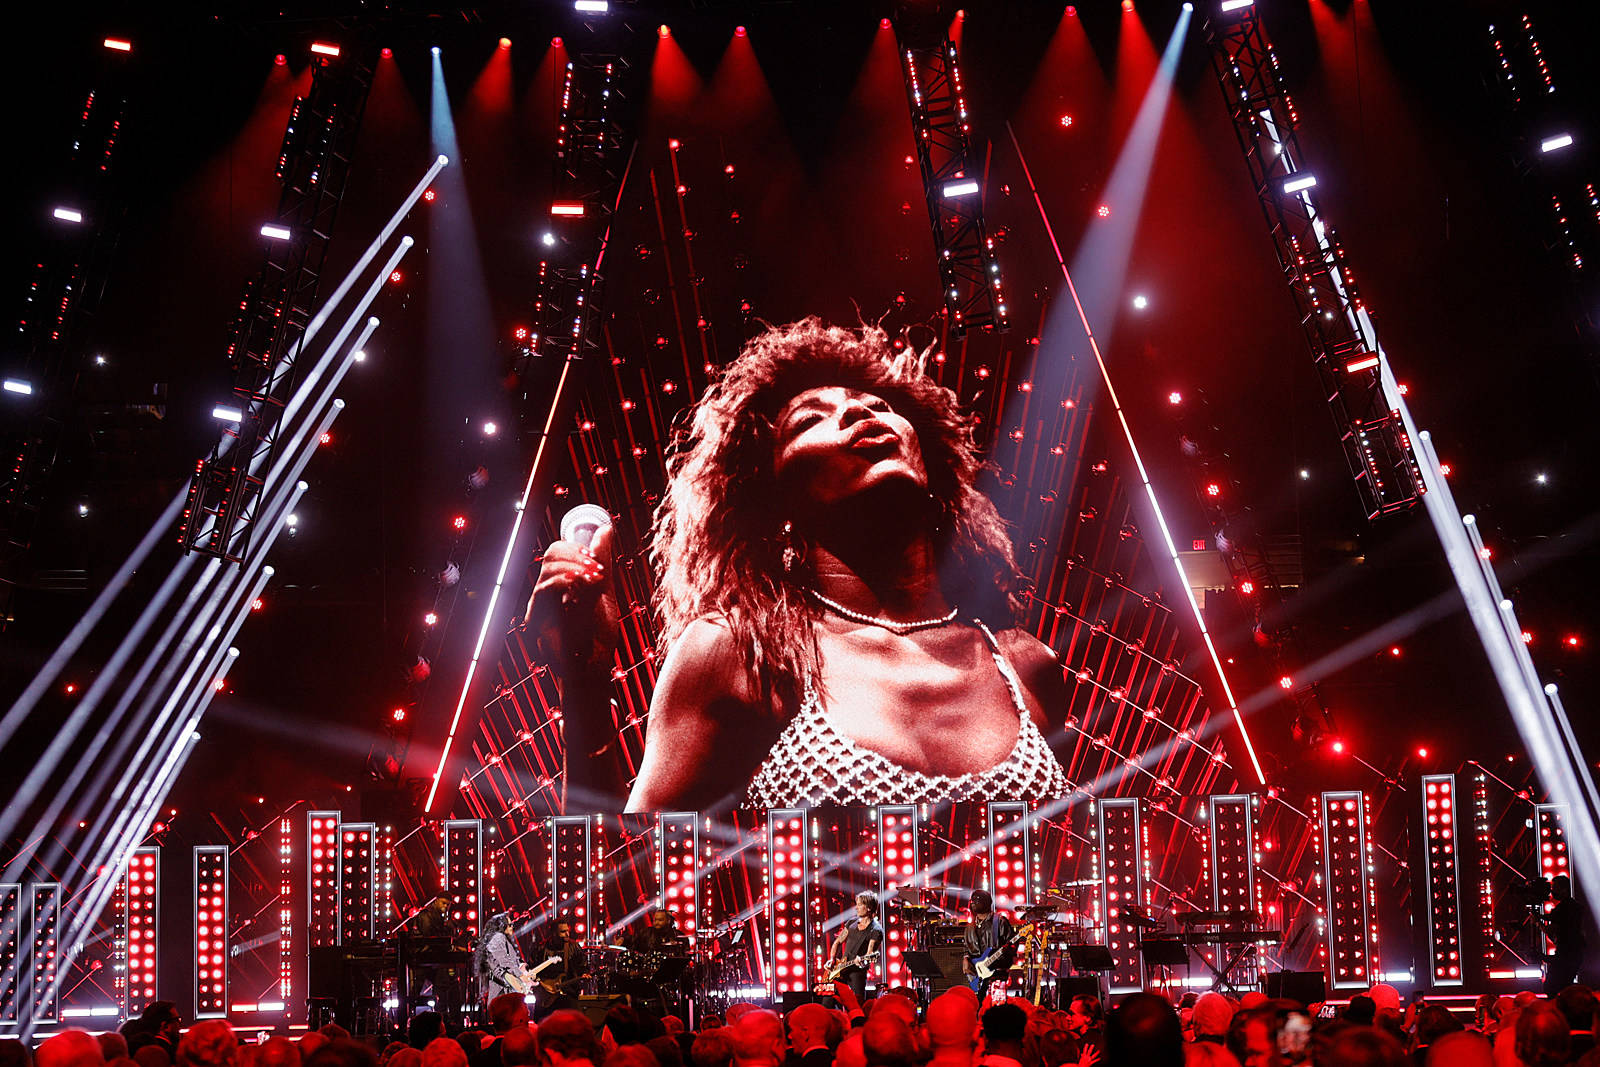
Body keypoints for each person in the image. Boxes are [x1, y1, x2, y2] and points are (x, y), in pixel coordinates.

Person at [527, 318, 1073, 812]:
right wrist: (584, 687)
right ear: (774, 503)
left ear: (934, 465)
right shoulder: (741, 655)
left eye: (880, 407)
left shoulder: (1027, 665)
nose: (860, 412)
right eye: (811, 419)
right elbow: (619, 894)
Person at [825, 893, 884, 1005]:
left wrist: (862, 962)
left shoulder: (876, 930)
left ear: (868, 908)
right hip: (840, 968)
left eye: (859, 905)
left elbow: (869, 955)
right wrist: (832, 959)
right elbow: (837, 942)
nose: (856, 908)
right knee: (827, 1001)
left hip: (857, 972)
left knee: (856, 1005)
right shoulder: (851, 923)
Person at [962, 890, 1015, 996]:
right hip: (976, 975)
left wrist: (999, 958)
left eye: (977, 900)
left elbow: (1012, 945)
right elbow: (966, 947)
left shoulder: (999, 921)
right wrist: (965, 958)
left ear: (986, 902)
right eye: (972, 900)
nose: (973, 903)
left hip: (996, 975)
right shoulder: (969, 927)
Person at [474, 914, 528, 1002]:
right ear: (502, 926)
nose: (512, 927)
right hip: (501, 989)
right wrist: (521, 975)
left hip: (505, 988)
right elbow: (504, 961)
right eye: (509, 925)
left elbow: (513, 961)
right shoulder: (498, 938)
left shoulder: (502, 939)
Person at [1546, 875, 1586, 994]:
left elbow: (1552, 930)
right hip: (1575, 953)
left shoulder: (1564, 908)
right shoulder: (1574, 906)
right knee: (1564, 987)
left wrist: (1538, 922)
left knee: (1551, 987)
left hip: (1568, 953)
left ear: (1564, 889)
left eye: (1555, 888)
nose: (1552, 891)